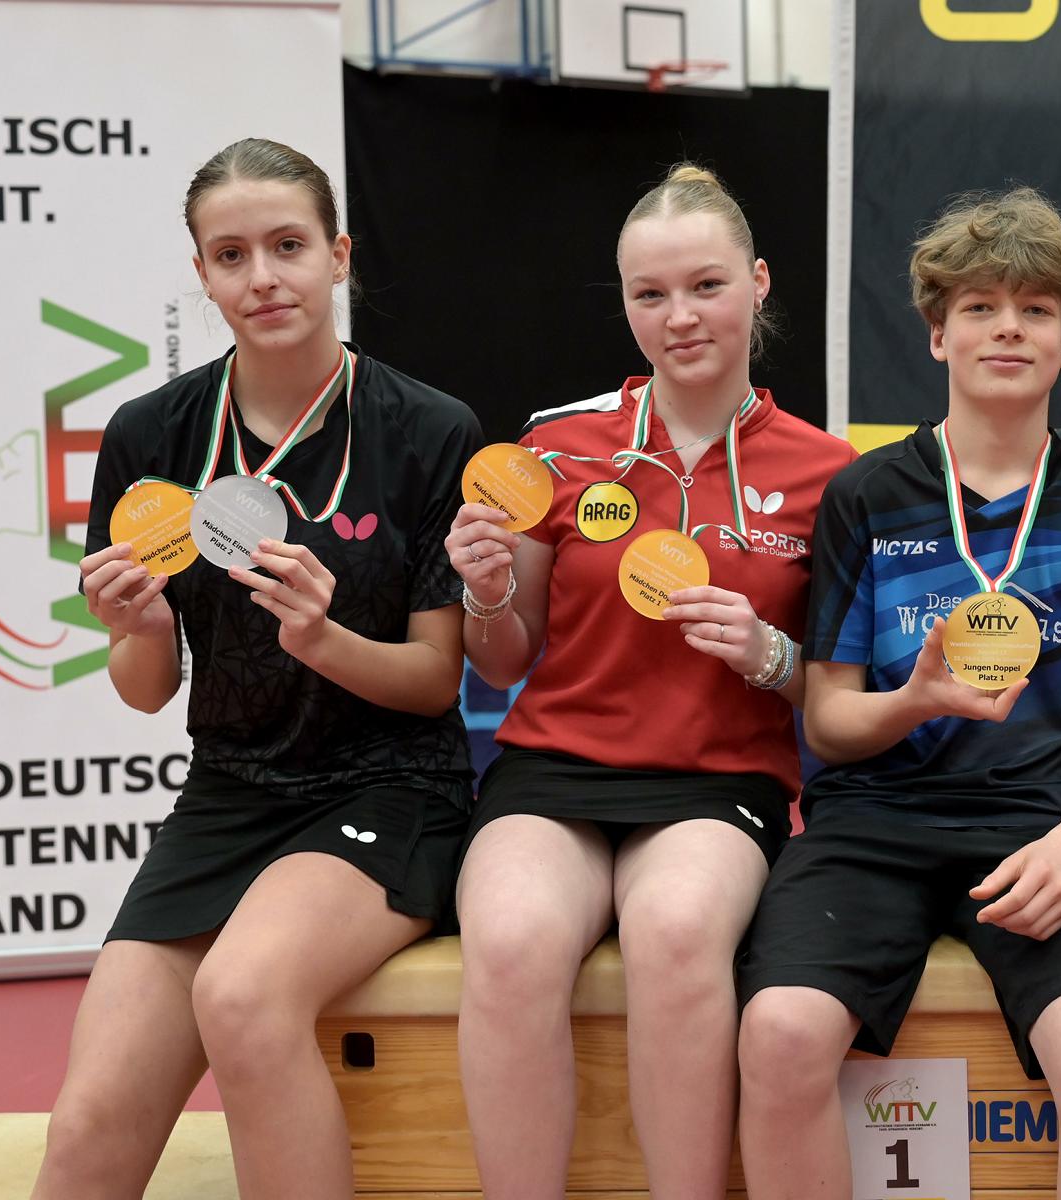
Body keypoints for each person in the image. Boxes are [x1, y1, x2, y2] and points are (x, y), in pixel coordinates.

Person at [35, 137, 481, 1200]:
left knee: (242, 996)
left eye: (288, 246)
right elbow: (147, 687)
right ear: (202, 273)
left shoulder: (429, 430)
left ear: (339, 255)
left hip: (388, 787)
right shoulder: (150, 435)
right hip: (228, 792)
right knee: (87, 1127)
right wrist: (140, 624)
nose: (263, 278)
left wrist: (322, 638)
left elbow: (435, 680)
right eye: (230, 256)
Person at [737, 187, 1061, 1200]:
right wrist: (916, 700)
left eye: (1034, 309)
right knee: (781, 1034)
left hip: (1035, 824)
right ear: (938, 336)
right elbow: (830, 721)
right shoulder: (866, 495)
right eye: (980, 307)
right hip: (872, 823)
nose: (1007, 327)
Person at [446, 163, 856, 1199]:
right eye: (650, 294)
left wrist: (769, 654)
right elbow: (504, 657)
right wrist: (486, 593)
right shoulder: (556, 446)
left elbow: (845, 699)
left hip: (719, 780)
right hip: (554, 769)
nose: (680, 317)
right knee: (510, 942)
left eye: (706, 286)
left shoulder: (831, 472)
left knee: (675, 936)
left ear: (758, 283)